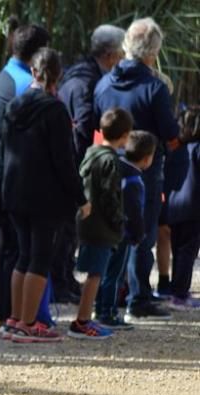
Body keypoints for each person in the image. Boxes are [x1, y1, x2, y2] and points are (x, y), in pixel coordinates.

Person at [0, 48, 88, 344]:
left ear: (33, 71)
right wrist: (80, 197)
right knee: (40, 257)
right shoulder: (54, 109)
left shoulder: (14, 105)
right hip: (43, 195)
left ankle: (14, 318)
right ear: (58, 75)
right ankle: (28, 322)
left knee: (23, 254)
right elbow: (65, 160)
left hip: (14, 190)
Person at [94, 18, 180, 320]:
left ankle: (109, 296)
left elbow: (97, 124)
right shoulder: (155, 88)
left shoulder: (103, 83)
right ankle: (138, 297)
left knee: (110, 232)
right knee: (140, 234)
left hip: (107, 168)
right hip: (145, 169)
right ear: (153, 52)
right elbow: (171, 134)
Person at [0, 23, 50, 330]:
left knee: (8, 250)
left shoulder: (4, 76)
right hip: (18, 178)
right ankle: (22, 315)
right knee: (22, 250)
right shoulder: (29, 86)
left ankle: (8, 314)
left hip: (0, 172)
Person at [54, 24, 125, 301]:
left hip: (68, 163)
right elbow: (83, 125)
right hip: (74, 165)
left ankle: (64, 280)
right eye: (120, 54)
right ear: (110, 55)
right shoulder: (87, 82)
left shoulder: (76, 74)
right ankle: (61, 283)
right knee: (67, 230)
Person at [72, 108, 134, 340]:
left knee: (93, 272)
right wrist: (119, 222)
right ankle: (82, 321)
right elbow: (110, 196)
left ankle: (86, 317)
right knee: (95, 274)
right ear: (125, 135)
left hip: (88, 222)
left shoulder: (91, 153)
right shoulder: (110, 161)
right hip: (102, 226)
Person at [96, 130, 155, 328]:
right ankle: (108, 312)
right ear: (147, 159)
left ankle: (100, 306)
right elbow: (135, 213)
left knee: (104, 271)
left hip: (107, 228)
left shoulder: (116, 168)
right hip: (123, 233)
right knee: (115, 275)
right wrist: (139, 234)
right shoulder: (135, 180)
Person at [167, 112, 200, 309]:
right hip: (193, 205)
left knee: (177, 248)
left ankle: (176, 288)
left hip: (173, 203)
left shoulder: (176, 148)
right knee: (188, 250)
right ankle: (180, 292)